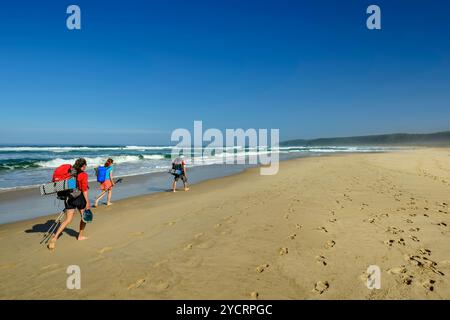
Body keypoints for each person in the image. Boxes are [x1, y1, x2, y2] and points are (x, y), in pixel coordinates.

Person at [48, 158, 91, 250]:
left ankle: (55, 237)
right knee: (84, 217)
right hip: (79, 197)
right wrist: (87, 202)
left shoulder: (70, 172)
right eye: (85, 165)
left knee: (68, 219)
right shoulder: (83, 175)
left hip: (68, 197)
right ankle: (80, 236)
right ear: (83, 166)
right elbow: (84, 190)